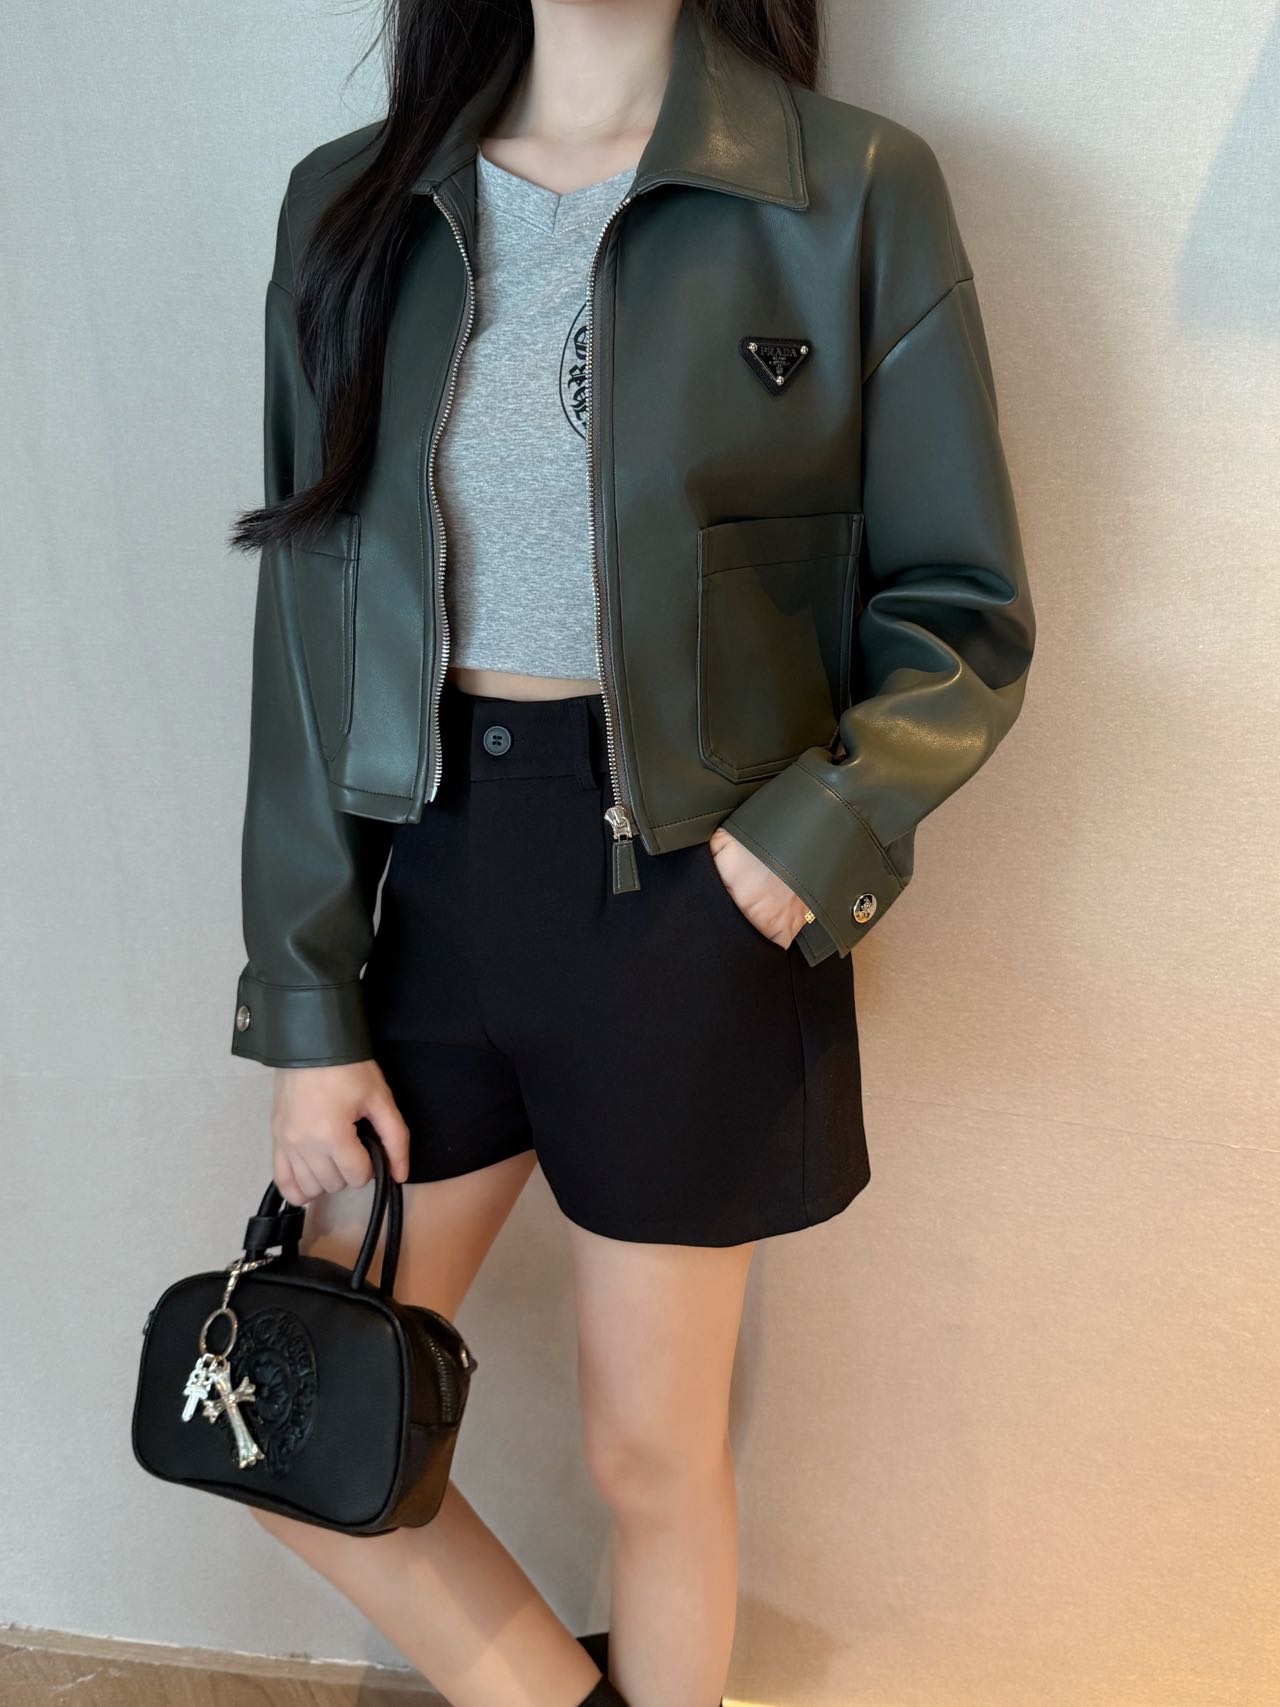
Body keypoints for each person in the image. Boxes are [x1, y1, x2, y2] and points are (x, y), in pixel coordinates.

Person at [224, 0, 1035, 1703]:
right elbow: (308, 634)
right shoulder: (354, 204)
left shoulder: (850, 190)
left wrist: (811, 835)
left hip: (690, 900)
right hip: (436, 880)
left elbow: (962, 606)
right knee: (286, 1409)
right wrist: (306, 1004)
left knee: (648, 1458)